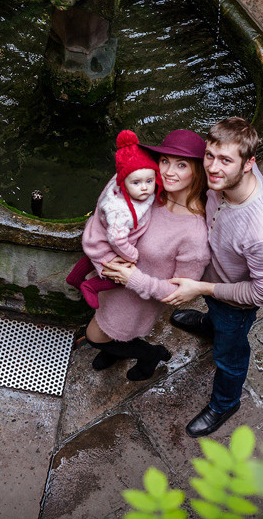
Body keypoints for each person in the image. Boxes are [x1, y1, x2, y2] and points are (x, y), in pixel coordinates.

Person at [160, 117, 263, 437]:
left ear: (249, 164)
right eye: (209, 156)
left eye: (226, 161)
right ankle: (209, 326)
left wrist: (201, 287)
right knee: (215, 316)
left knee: (230, 356)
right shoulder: (221, 180)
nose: (213, 168)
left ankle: (226, 402)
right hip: (212, 279)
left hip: (234, 304)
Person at [82, 130, 212, 382]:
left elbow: (178, 293)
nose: (168, 172)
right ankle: (117, 349)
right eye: (164, 161)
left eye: (181, 165)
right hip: (113, 283)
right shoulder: (150, 189)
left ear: (197, 171)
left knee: (94, 336)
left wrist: (134, 279)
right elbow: (106, 216)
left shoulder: (195, 234)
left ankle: (151, 354)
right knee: (109, 335)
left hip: (135, 299)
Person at [65, 130, 160, 308]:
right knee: (121, 275)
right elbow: (116, 239)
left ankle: (74, 277)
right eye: (136, 183)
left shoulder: (122, 176)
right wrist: (132, 256)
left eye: (150, 181)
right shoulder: (120, 211)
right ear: (124, 183)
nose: (145, 188)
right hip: (107, 240)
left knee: (92, 257)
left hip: (96, 233)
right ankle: (90, 286)